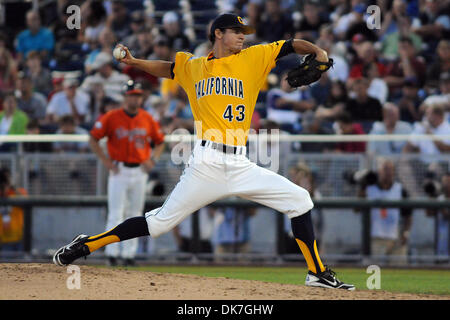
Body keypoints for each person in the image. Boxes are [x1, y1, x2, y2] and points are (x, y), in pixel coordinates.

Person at [53, 13, 354, 290]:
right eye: (236, 31)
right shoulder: (193, 66)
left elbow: (291, 45)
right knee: (158, 224)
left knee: (300, 199)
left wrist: (318, 52)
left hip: (240, 162)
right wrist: (134, 61)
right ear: (218, 34)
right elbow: (167, 69)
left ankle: (317, 273)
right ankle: (88, 244)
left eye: (244, 32)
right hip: (205, 164)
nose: (242, 37)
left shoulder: (253, 57)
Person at [86, 80, 165, 266]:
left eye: (137, 95)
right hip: (119, 170)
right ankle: (111, 254)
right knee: (116, 213)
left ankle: (129, 255)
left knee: (135, 213)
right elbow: (93, 138)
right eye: (131, 95)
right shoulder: (111, 117)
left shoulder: (147, 118)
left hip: (139, 171)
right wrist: (106, 161)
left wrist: (153, 160)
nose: (135, 99)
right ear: (125, 97)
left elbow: (160, 141)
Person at [357, 158, 412, 265]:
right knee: (376, 272)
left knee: (399, 271)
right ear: (379, 171)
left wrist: (406, 232)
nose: (388, 172)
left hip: (395, 237)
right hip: (376, 237)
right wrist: (362, 185)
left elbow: (408, 215)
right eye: (385, 169)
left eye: (391, 169)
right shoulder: (369, 189)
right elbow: (356, 208)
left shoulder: (400, 189)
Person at [0, 168, 27, 254]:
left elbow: (25, 202)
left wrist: (12, 188)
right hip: (4, 241)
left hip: (20, 239)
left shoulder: (17, 193)